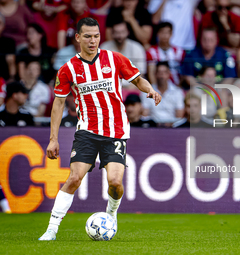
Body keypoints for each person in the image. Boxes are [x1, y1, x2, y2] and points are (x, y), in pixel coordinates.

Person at [38, 17, 161, 241]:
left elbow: (137, 80)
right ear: (78, 38)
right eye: (87, 36)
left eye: (96, 36)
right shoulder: (68, 70)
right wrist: (53, 139)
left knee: (115, 183)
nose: (92, 40)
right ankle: (51, 229)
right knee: (74, 178)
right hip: (87, 131)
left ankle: (111, 215)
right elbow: (58, 104)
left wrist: (150, 90)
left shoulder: (114, 59)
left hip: (116, 131)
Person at [0, 13, 16, 81]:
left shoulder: (9, 42)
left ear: (3, 26)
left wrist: (11, 79)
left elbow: (11, 62)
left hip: (4, 80)